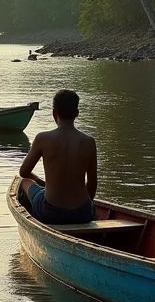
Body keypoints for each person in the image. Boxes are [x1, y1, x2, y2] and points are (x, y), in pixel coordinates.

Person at [19, 89, 97, 225]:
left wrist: (40, 182)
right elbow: (92, 183)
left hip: (51, 212)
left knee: (23, 183)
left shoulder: (43, 138)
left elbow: (24, 172)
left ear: (54, 113)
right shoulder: (89, 141)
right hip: (82, 213)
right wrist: (86, 207)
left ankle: (33, 225)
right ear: (77, 114)